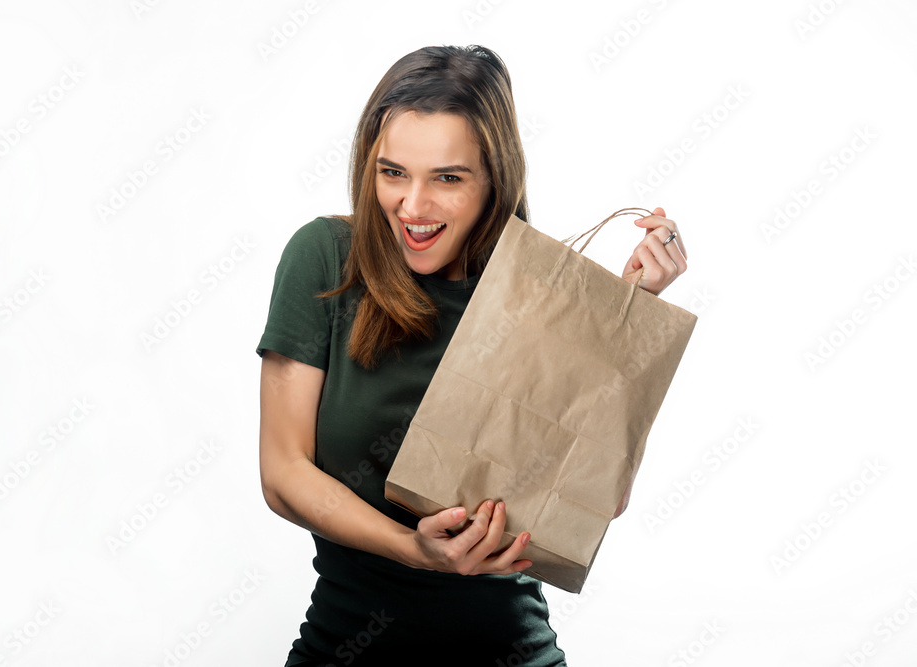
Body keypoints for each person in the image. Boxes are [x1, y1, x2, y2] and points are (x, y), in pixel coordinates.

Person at [257, 44, 687, 667]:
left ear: (495, 178)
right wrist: (413, 548)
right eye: (393, 172)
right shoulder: (325, 257)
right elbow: (283, 474)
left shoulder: (542, 294)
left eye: (448, 179)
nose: (413, 206)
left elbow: (597, 503)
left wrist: (626, 322)